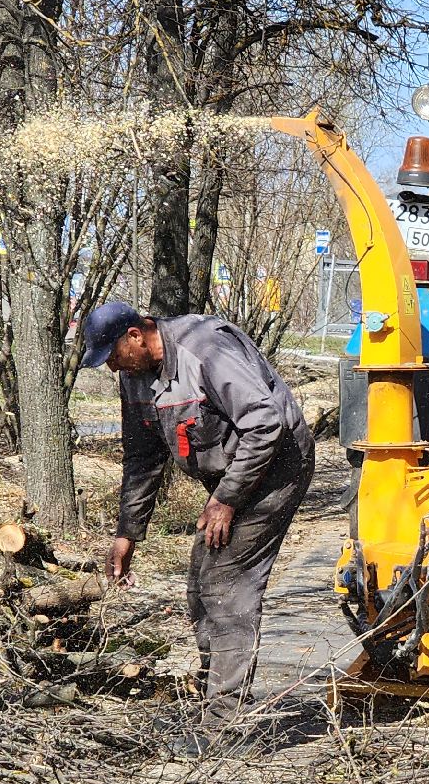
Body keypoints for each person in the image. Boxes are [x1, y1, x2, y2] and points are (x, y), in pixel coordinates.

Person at [82, 301, 315, 747]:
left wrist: (226, 500)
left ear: (135, 335)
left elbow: (264, 423)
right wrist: (127, 533)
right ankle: (213, 704)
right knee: (200, 585)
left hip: (277, 465)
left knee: (225, 584)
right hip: (233, 476)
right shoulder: (135, 375)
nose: (111, 367)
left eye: (112, 355)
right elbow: (142, 458)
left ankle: (223, 726)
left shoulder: (205, 349)